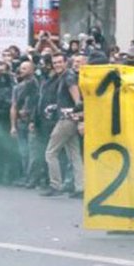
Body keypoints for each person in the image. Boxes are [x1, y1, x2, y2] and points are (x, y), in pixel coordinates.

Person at [40, 53, 83, 198]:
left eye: (59, 62)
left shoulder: (69, 77)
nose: (57, 65)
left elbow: (78, 101)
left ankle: (55, 185)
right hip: (69, 119)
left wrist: (77, 115)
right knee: (75, 155)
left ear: (66, 62)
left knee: (50, 152)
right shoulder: (65, 77)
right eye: (55, 62)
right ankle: (80, 187)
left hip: (66, 120)